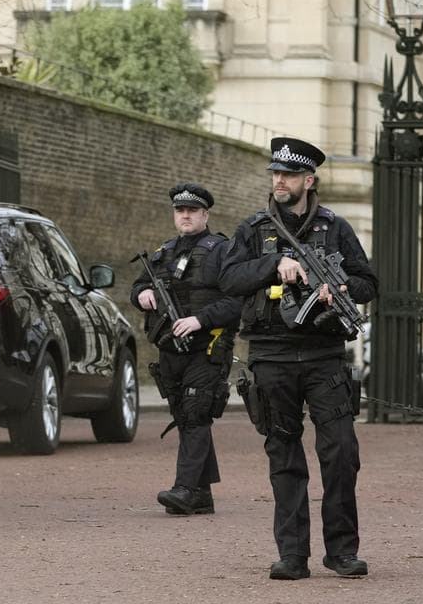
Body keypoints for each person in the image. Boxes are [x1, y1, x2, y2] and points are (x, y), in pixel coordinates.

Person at [219, 138, 377, 581]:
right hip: (271, 355)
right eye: (275, 174)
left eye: (287, 175)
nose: (279, 181)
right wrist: (275, 265)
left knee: (342, 452)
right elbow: (228, 279)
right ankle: (292, 555)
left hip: (325, 356)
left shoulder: (336, 227)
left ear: (309, 180)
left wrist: (341, 287)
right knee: (284, 455)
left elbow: (368, 283)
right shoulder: (253, 228)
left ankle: (342, 551)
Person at [130, 183, 241, 516]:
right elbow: (137, 286)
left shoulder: (223, 250)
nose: (186, 216)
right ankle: (202, 493)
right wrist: (142, 295)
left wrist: (199, 320)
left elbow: (237, 301)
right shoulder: (164, 252)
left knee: (195, 413)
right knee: (184, 414)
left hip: (207, 346)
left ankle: (185, 488)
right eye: (180, 211)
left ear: (205, 214)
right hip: (170, 349)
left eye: (192, 210)